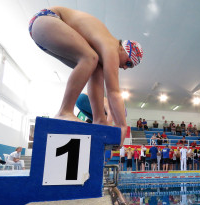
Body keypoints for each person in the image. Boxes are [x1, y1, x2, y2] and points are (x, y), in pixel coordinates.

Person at [29, 7, 143, 148]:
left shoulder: (104, 47)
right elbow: (113, 91)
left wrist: (105, 122)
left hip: (42, 28)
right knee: (90, 57)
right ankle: (65, 111)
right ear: (124, 49)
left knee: (95, 67)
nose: (125, 67)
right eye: (129, 63)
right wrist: (122, 126)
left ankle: (99, 119)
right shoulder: (111, 47)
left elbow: (106, 88)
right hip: (46, 20)